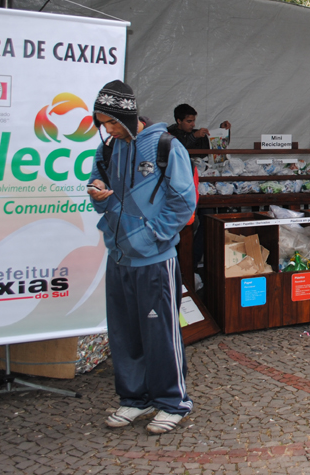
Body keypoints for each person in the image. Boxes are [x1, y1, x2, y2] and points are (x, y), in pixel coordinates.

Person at [88, 81, 197, 435]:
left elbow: (183, 202)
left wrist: (152, 236)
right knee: (124, 333)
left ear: (127, 114)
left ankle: (172, 402)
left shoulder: (166, 146)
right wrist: (99, 198)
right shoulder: (107, 149)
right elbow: (97, 187)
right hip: (118, 258)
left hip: (154, 261)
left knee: (160, 333)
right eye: (102, 123)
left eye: (111, 122)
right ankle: (135, 399)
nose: (108, 129)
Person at [167, 103, 231, 151]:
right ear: (179, 121)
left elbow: (219, 146)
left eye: (193, 121)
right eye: (189, 121)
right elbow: (179, 147)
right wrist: (194, 136)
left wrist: (222, 130)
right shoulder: (168, 135)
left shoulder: (196, 133)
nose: (193, 124)